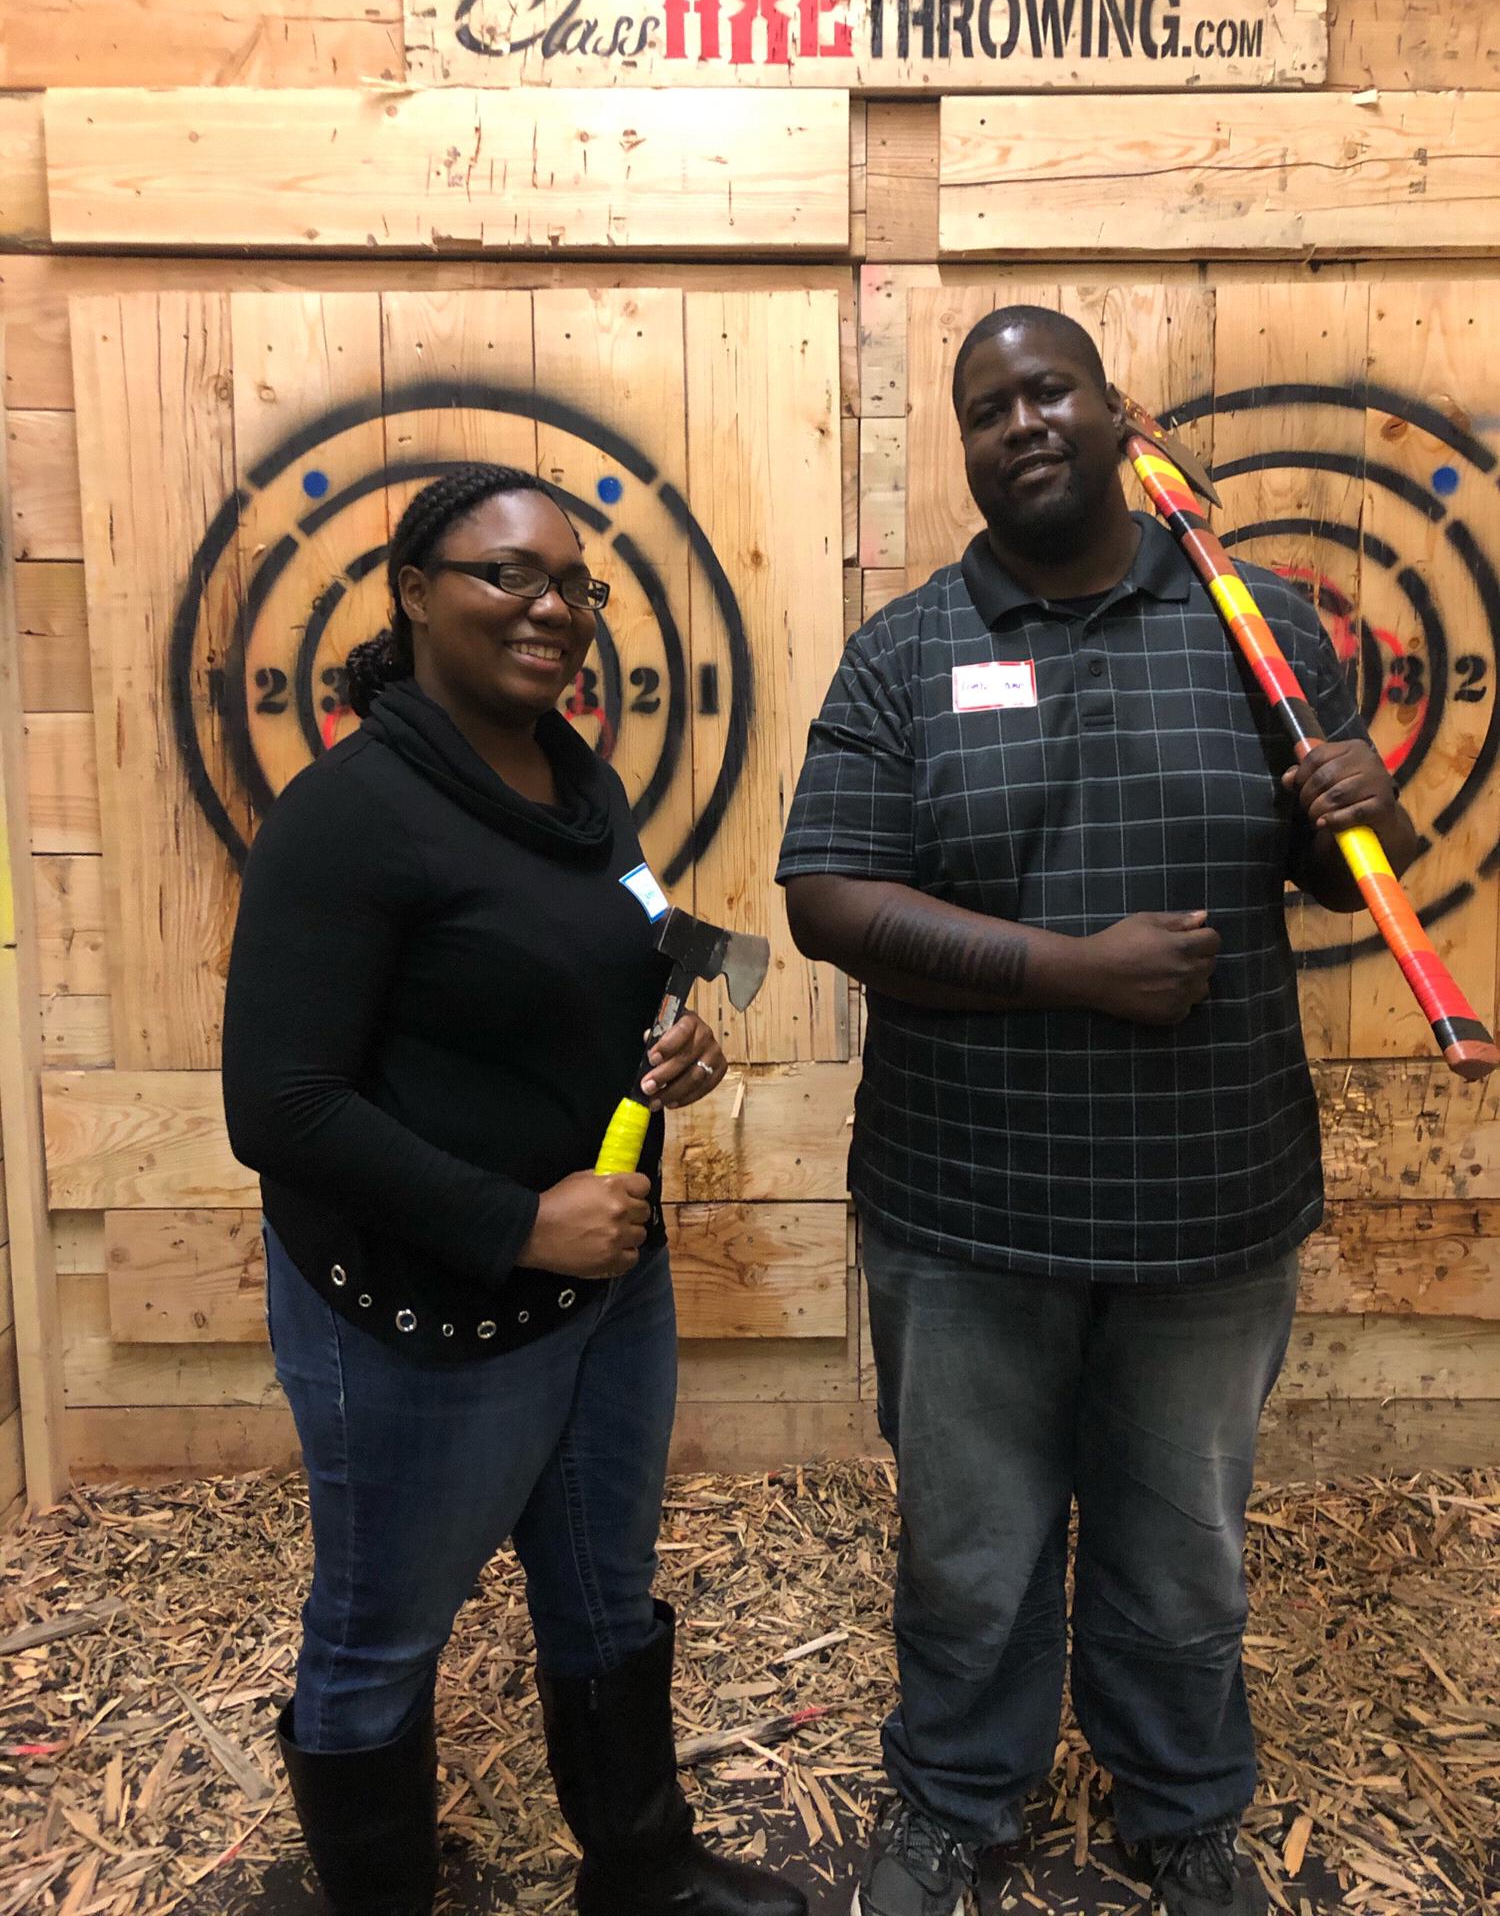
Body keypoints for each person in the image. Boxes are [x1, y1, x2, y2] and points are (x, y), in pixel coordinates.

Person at [777, 308, 1419, 1916]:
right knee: (970, 1548)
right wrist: (1073, 972)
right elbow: (830, 899)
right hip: (963, 1206)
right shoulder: (906, 652)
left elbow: (1337, 869)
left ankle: (1182, 1802)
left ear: (1113, 413)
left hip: (1213, 1197)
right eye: (985, 408)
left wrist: (1372, 811)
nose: (1020, 423)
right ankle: (957, 1797)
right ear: (966, 447)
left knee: (1184, 1544)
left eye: (1046, 389)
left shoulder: (1262, 627)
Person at [223, 464, 805, 1916]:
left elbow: (627, 941)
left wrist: (676, 1041)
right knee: (380, 1632)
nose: (552, 606)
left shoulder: (577, 783)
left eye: (574, 584)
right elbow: (279, 1109)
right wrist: (520, 1223)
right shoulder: (347, 818)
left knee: (605, 1587)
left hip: (606, 1287)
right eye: (508, 574)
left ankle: (643, 1872)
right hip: (417, 1309)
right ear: (416, 594)